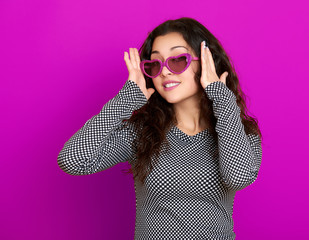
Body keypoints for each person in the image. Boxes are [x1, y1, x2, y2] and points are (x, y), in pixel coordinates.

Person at [57, 17, 263, 239]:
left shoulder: (239, 133)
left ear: (206, 63)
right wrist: (125, 100)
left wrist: (222, 98)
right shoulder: (142, 132)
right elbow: (73, 161)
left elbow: (239, 177)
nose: (164, 72)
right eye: (155, 64)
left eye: (177, 60)